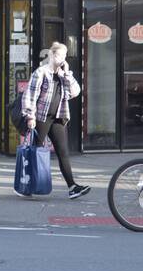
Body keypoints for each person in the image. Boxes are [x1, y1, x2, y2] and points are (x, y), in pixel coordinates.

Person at [21, 42, 91, 200]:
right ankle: (27, 185)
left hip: (58, 116)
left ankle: (72, 187)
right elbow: (30, 95)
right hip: (41, 117)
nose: (62, 59)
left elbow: (75, 92)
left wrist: (67, 74)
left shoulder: (63, 74)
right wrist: (30, 116)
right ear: (51, 55)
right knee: (35, 151)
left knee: (63, 152)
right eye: (59, 55)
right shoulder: (41, 72)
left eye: (65, 56)